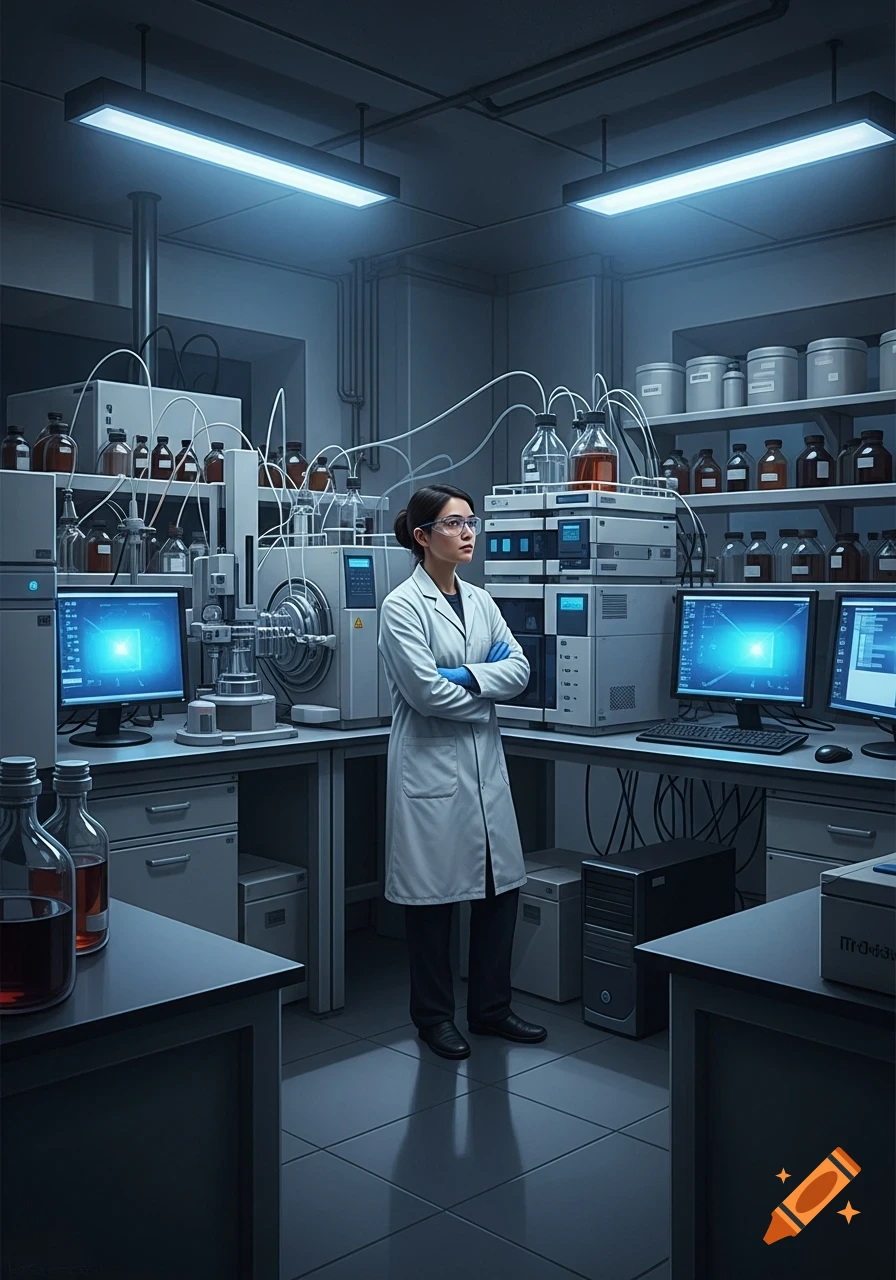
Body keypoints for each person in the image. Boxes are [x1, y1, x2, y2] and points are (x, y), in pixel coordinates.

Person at [378, 483, 547, 1061]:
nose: (468, 532)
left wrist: (466, 678)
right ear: (423, 537)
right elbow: (424, 694)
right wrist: (485, 681)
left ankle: (491, 1010)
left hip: (481, 768)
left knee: (499, 893)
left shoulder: (481, 600)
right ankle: (432, 1018)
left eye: (471, 521)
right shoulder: (400, 605)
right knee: (432, 905)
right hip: (430, 765)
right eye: (454, 524)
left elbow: (520, 668)